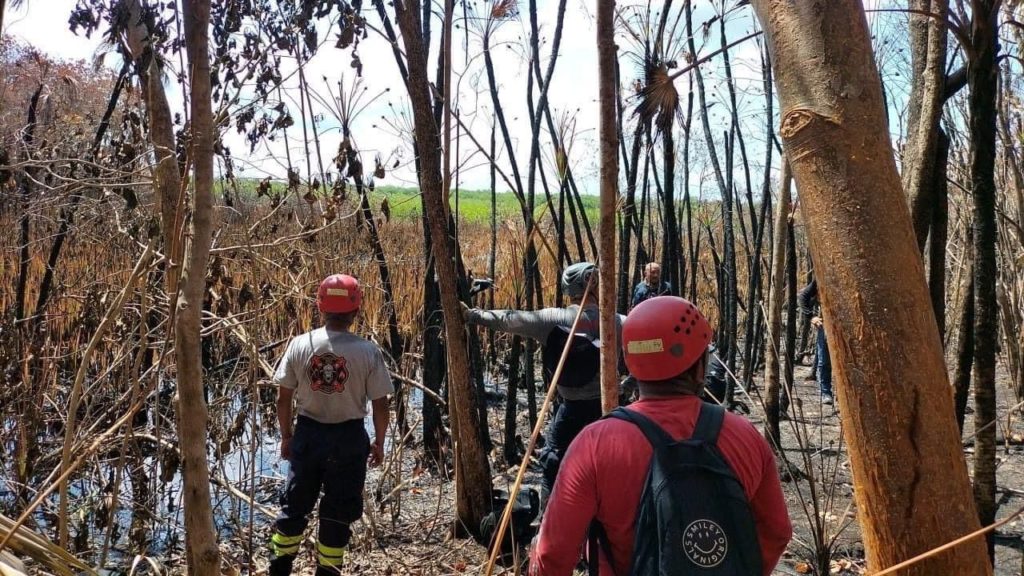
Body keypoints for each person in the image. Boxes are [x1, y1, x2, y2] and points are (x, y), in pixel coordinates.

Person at [529, 296, 791, 575]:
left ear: (629, 362)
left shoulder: (594, 444)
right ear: (700, 367)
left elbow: (552, 555)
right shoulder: (745, 437)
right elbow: (777, 532)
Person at [463, 262, 624, 502]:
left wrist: (472, 315)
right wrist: (627, 386)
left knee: (552, 462)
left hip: (571, 410)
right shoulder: (618, 322)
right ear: (593, 285)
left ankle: (548, 518)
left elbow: (510, 319)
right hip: (610, 411)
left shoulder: (553, 319)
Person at [269, 274, 394, 576]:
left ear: (320, 306)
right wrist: (379, 442)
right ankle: (327, 572)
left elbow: (283, 399)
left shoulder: (300, 344)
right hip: (348, 439)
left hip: (308, 435)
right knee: (337, 514)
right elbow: (380, 404)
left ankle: (279, 568)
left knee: (294, 508)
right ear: (356, 310)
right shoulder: (367, 351)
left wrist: (286, 436)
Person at [798, 278, 833, 405]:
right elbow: (802, 297)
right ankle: (826, 393)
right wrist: (811, 316)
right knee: (824, 361)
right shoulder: (822, 276)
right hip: (826, 324)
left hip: (847, 325)